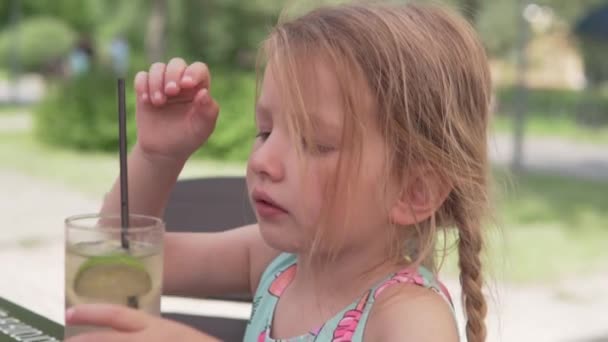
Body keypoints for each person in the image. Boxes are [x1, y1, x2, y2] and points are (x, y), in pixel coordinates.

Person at [65, 2, 492, 342]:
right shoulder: (275, 263)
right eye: (265, 131)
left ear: (414, 191)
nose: (261, 161)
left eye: (315, 143)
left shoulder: (410, 317)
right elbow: (117, 261)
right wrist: (157, 157)